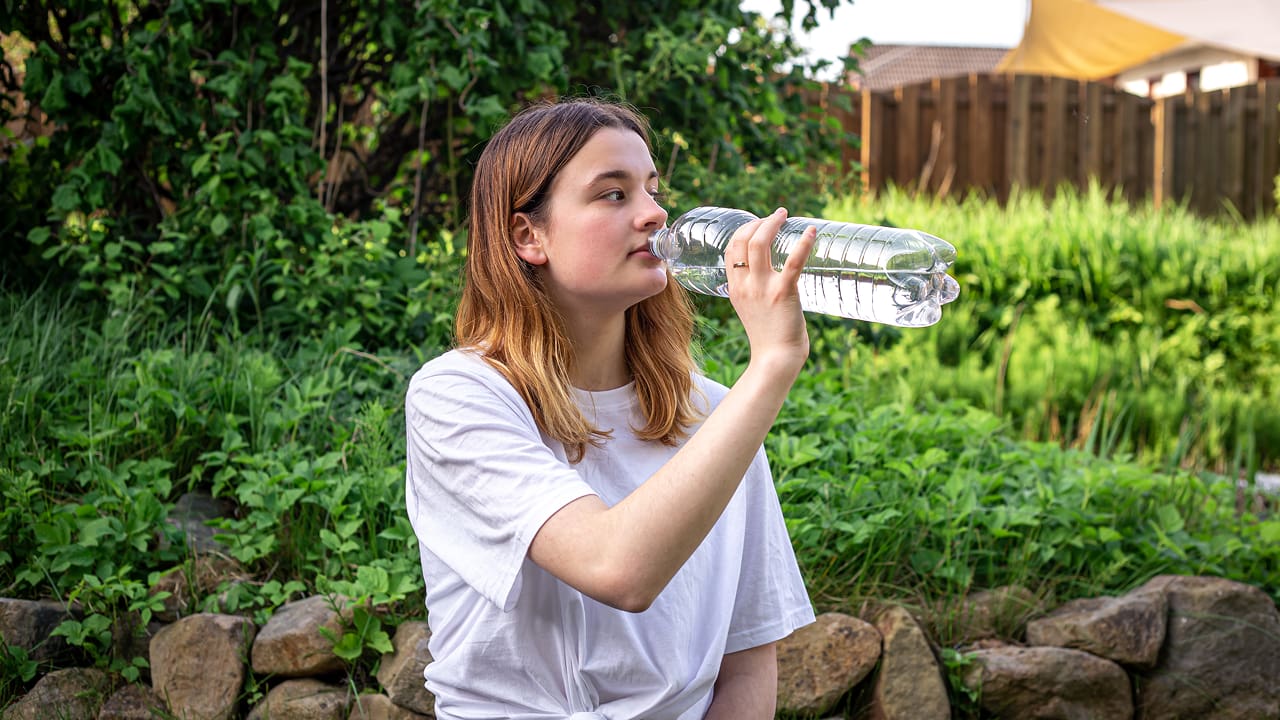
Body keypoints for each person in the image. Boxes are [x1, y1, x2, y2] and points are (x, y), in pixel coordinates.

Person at [403, 96, 818, 720]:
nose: (654, 214)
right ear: (528, 235)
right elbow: (617, 568)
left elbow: (749, 659)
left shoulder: (715, 413)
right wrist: (773, 364)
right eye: (613, 194)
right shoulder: (458, 397)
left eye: (653, 190)